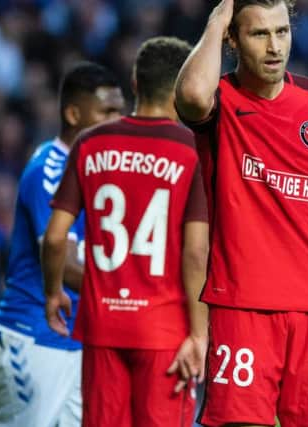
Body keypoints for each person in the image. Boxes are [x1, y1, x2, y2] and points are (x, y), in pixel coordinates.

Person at [174, 1, 308, 426]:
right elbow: (191, 96)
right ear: (234, 41)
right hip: (244, 309)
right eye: (259, 34)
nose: (274, 46)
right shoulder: (222, 102)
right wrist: (218, 19)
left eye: (281, 32)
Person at [42, 36, 209, 427]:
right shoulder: (193, 151)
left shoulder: (89, 142)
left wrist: (53, 293)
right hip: (164, 330)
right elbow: (196, 252)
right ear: (184, 87)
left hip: (102, 324)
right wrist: (199, 334)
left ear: (135, 84)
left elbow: (54, 238)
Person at [0, 62, 125, 427]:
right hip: (33, 337)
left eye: (120, 111)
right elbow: (60, 254)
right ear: (73, 113)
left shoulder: (98, 171)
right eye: (106, 111)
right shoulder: (51, 167)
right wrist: (131, 296)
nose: (116, 121)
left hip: (77, 342)